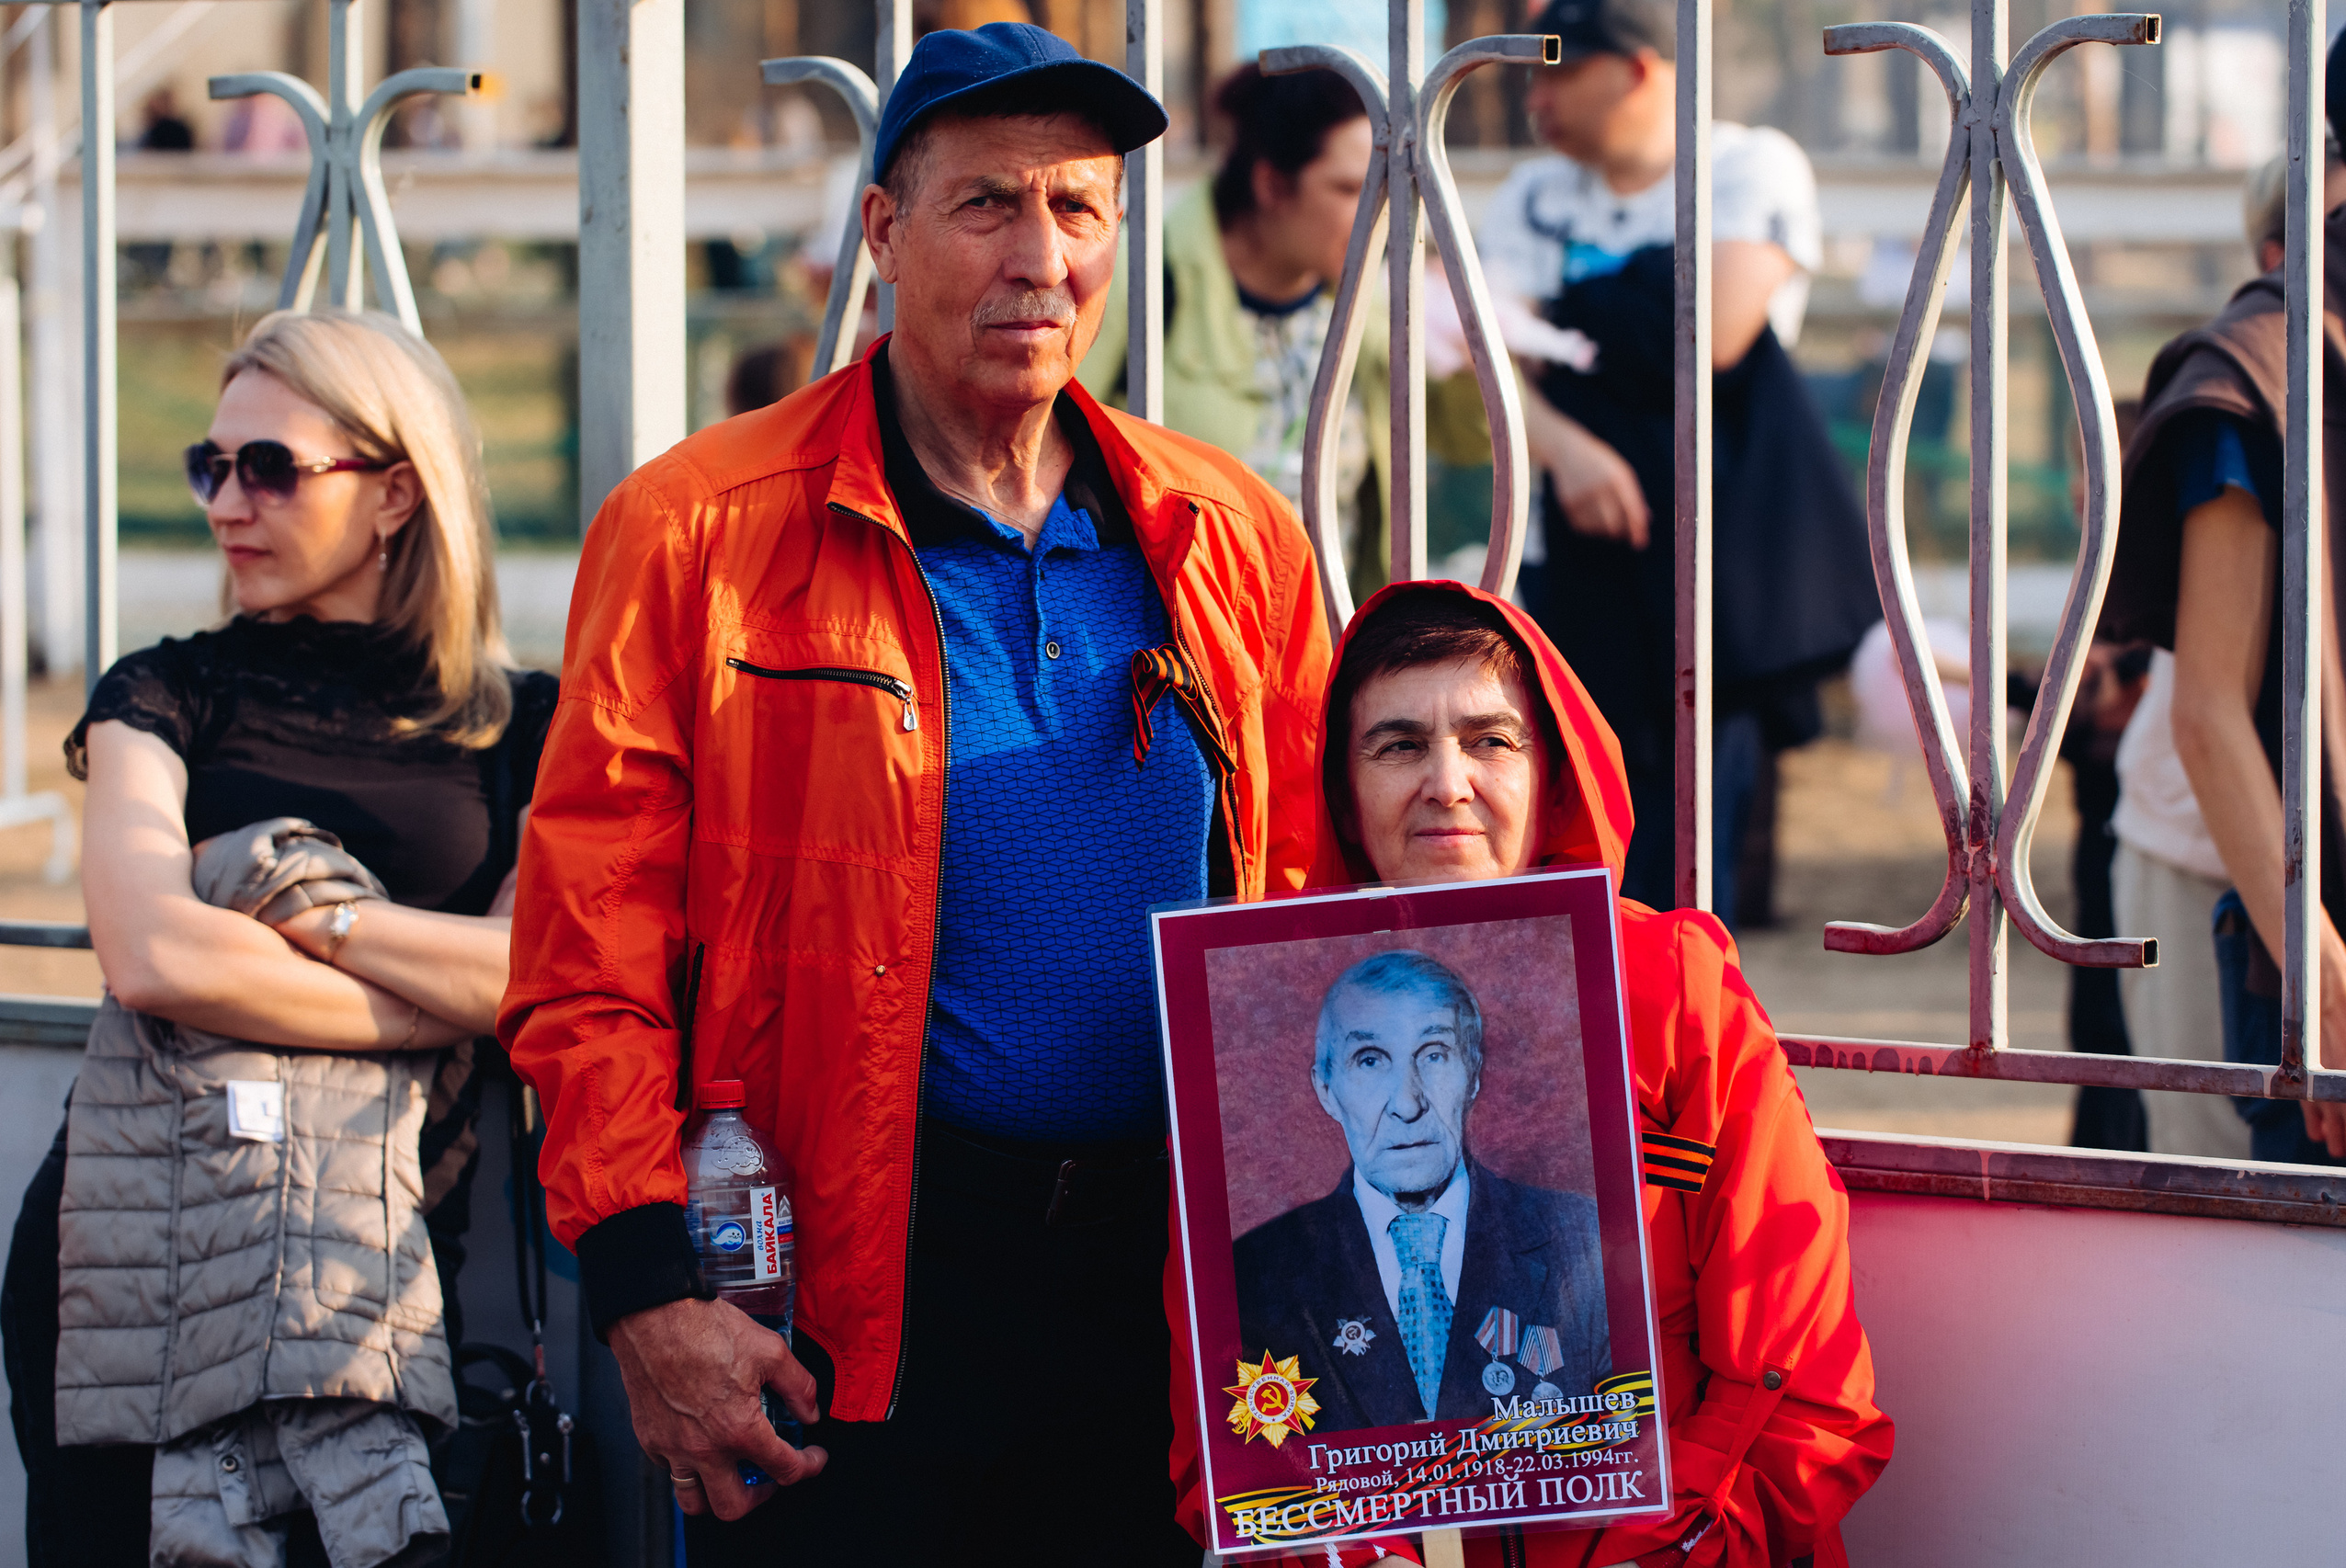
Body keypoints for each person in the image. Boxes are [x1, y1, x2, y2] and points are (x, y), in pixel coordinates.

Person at [499, 23, 1329, 1564]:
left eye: (1080, 209)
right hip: (844, 1306)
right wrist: (642, 1288)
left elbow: (1322, 902)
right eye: (987, 205)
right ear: (882, 231)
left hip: (1171, 1296)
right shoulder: (700, 531)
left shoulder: (1225, 532)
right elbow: (587, 949)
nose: (1041, 257)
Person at [0, 308, 557, 1567]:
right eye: (212, 465)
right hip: (136, 1280)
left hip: (373, 1287)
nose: (225, 502)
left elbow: (542, 975)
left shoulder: (523, 727)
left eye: (270, 467)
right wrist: (434, 997)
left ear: (396, 491)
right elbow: (152, 952)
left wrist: (319, 916)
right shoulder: (164, 690)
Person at [1238, 580, 1891, 1567]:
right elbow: (1237, 1440)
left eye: (1491, 740)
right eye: (1399, 743)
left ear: (1551, 776)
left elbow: (1803, 1378)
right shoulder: (1259, 1031)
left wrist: (1662, 1550)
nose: (1447, 781)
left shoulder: (1670, 988)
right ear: (1339, 789)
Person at [1477, 0, 1876, 918]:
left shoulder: (1746, 164)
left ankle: (1680, 1037)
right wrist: (1568, 446)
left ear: (1639, 69)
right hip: (1578, 546)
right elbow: (1485, 361)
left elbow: (1718, 328)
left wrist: (1562, 319)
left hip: (1714, 555)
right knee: (1582, 810)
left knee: (1696, 832)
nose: (1536, 97)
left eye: (1559, 71)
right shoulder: (1529, 195)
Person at [2101, 122, 2346, 1167]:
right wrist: (2315, 968)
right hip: (2205, 853)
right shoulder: (2252, 382)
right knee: (2215, 1183)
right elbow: (2205, 711)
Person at [1231, 950, 1608, 1430]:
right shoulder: (1251, 1277)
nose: (1407, 1104)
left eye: (1433, 1054)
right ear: (1326, 1089)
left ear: (1473, 1072)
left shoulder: (1583, 1239)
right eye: (1369, 1060)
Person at [1080, 62, 1395, 597]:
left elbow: (1468, 441)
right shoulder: (1144, 277)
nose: (1377, 212)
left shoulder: (1368, 296)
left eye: (1383, 189)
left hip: (1329, 639)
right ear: (1272, 183)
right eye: (1348, 189)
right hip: (1175, 647)